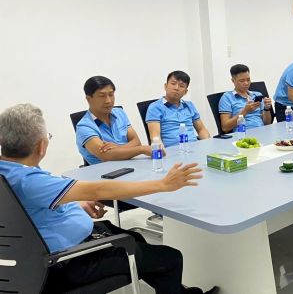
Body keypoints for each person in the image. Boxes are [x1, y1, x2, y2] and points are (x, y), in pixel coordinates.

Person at [0, 104, 218, 294]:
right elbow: (98, 189)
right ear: (42, 146)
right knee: (170, 258)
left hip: (35, 258)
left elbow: (31, 206)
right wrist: (163, 184)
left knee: (136, 239)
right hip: (67, 261)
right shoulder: (29, 181)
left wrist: (75, 204)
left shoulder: (9, 172)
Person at [76, 76, 153, 165]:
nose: (108, 101)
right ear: (89, 99)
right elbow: (106, 155)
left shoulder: (119, 113)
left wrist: (118, 148)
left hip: (131, 164)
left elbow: (136, 141)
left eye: (111, 94)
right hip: (106, 171)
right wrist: (141, 149)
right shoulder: (84, 127)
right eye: (102, 96)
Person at [146, 71, 210, 148]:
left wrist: (208, 146)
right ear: (165, 86)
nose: (176, 88)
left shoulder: (189, 105)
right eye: (173, 83)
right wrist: (162, 153)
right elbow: (155, 138)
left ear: (185, 92)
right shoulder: (155, 107)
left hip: (194, 148)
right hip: (171, 151)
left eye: (181, 86)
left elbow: (201, 129)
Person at [218, 64, 273, 133]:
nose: (246, 83)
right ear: (233, 80)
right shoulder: (227, 98)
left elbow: (267, 123)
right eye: (242, 81)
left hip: (262, 132)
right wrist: (245, 111)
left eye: (248, 80)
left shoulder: (257, 95)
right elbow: (225, 127)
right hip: (243, 134)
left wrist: (266, 108)